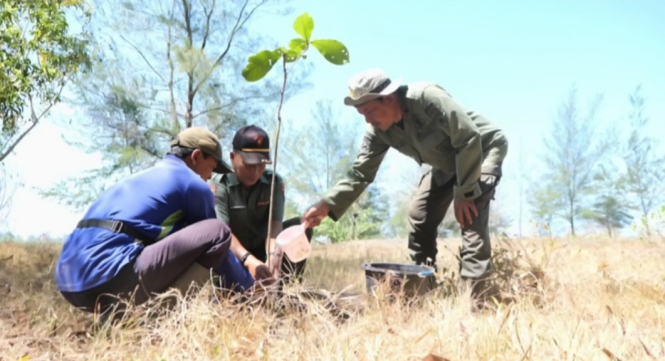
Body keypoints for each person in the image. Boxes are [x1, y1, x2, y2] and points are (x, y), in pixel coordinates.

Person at [302, 68, 508, 297]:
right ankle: (424, 291)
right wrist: (327, 204)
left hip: (480, 150)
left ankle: (477, 297)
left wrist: (465, 193)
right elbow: (361, 173)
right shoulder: (377, 131)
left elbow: (468, 137)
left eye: (370, 111)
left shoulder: (427, 98)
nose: (368, 120)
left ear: (389, 98)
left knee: (470, 214)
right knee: (419, 214)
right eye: (362, 115)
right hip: (446, 163)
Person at [55, 127, 274, 316]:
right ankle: (156, 319)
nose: (209, 176)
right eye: (212, 167)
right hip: (111, 277)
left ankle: (116, 317)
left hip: (69, 284)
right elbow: (220, 247)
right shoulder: (192, 185)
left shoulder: (142, 179)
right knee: (218, 232)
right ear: (196, 156)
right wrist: (250, 291)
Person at [209, 125, 313, 284]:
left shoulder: (274, 182)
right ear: (232, 157)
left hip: (263, 249)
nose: (255, 171)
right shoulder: (221, 186)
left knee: (300, 227)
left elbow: (275, 226)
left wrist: (273, 258)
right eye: (249, 164)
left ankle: (284, 286)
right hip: (235, 253)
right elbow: (223, 234)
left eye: (261, 164)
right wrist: (248, 260)